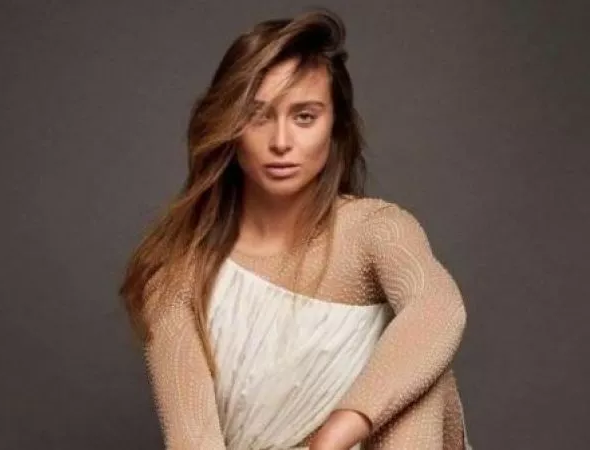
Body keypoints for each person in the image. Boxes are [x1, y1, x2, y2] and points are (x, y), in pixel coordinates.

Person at [119, 8, 473, 450]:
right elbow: (193, 440)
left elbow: (438, 308)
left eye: (304, 117)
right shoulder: (178, 274)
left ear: (335, 127)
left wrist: (340, 429)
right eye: (258, 116)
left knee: (422, 373)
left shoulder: (372, 230)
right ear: (228, 127)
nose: (281, 142)